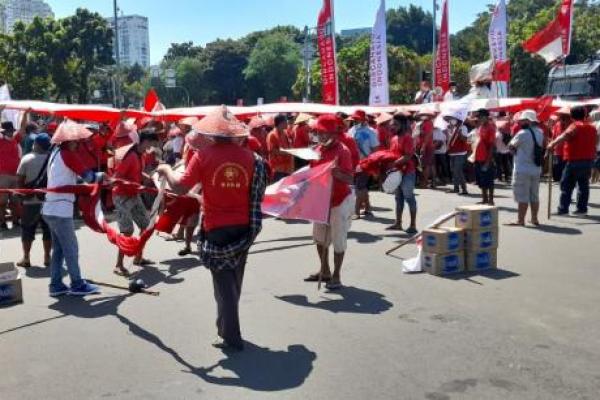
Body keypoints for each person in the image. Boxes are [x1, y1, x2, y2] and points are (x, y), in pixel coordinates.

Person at [157, 106, 268, 352]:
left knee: (223, 284)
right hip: (244, 226)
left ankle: (230, 334)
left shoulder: (204, 155)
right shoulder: (250, 157)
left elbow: (181, 188)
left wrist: (165, 169)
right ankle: (226, 327)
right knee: (234, 279)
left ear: (211, 134)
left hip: (216, 227)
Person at [42, 121, 104, 297]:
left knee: (60, 249)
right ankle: (77, 283)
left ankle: (55, 285)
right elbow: (89, 176)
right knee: (71, 248)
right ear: (69, 141)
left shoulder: (55, 153)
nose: (78, 143)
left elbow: (68, 179)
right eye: (76, 140)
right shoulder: (68, 154)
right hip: (60, 209)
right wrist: (102, 176)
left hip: (50, 208)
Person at [304, 114, 355, 290]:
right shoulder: (317, 151)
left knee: (338, 239)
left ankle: (337, 275)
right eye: (318, 132)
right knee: (319, 238)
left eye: (324, 132)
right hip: (321, 201)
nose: (321, 135)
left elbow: (350, 179)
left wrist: (337, 173)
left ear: (334, 133)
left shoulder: (343, 151)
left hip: (339, 201)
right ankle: (324, 270)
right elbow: (311, 174)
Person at [112, 131, 159, 277]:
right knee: (127, 231)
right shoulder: (130, 156)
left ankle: (138, 257)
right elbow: (117, 177)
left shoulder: (140, 155)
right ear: (144, 141)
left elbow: (138, 173)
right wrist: (133, 184)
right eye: (151, 143)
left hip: (134, 194)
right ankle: (118, 265)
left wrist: (153, 177)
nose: (152, 147)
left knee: (146, 226)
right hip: (122, 196)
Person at [548, 106, 598, 215]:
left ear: (571, 115)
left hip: (574, 160)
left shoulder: (574, 126)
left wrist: (552, 143)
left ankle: (563, 209)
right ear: (584, 115)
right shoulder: (592, 127)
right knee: (583, 185)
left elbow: (565, 135)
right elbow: (596, 141)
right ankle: (582, 209)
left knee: (567, 185)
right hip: (588, 160)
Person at [16, 133, 52, 268]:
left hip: (30, 201)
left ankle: (26, 258)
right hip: (48, 200)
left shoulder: (27, 159)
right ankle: (47, 257)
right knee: (48, 230)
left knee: (27, 230)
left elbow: (20, 180)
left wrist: (21, 196)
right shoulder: (52, 160)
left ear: (36, 144)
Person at [506, 110, 544, 226]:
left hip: (522, 168)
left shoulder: (522, 133)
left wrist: (514, 151)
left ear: (528, 120)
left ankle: (520, 220)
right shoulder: (540, 132)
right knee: (534, 195)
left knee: (522, 195)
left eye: (522, 120)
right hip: (536, 168)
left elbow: (511, 146)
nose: (520, 122)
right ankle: (534, 219)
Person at [388, 112, 418, 234]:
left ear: (403, 125)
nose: (392, 126)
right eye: (392, 124)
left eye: (395, 124)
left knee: (409, 197)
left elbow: (408, 155)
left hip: (408, 172)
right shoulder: (394, 138)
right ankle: (398, 223)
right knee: (398, 198)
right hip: (397, 172)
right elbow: (391, 155)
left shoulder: (407, 137)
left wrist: (394, 164)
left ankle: (413, 225)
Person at [348, 110, 379, 218]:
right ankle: (368, 208)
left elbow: (375, 149)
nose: (355, 120)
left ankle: (356, 211)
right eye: (354, 118)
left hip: (366, 163)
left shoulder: (371, 132)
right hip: (352, 163)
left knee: (359, 187)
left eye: (357, 118)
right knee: (361, 186)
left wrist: (373, 165)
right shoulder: (351, 130)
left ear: (363, 119)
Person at [0, 120, 22, 231]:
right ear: (3, 132)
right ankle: (3, 222)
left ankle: (15, 221)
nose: (10, 132)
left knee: (15, 200)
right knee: (2, 201)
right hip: (2, 175)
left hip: (14, 175)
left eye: (11, 130)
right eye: (8, 131)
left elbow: (22, 129)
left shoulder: (15, 140)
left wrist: (25, 115)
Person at [472, 109, 496, 205]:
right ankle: (484, 198)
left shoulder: (491, 128)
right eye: (478, 117)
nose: (480, 119)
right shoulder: (480, 127)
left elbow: (491, 146)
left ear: (486, 117)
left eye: (481, 117)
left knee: (489, 180)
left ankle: (491, 199)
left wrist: (487, 161)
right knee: (481, 180)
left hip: (486, 158)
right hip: (478, 157)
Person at [445, 111, 470, 195]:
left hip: (460, 152)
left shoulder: (463, 127)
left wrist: (459, 134)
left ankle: (464, 188)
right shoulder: (452, 128)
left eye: (453, 119)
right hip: (452, 152)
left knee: (458, 171)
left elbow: (465, 139)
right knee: (454, 170)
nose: (451, 120)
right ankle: (456, 188)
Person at [267, 114, 294, 181]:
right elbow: (273, 151)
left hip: (287, 167)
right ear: (281, 123)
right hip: (278, 169)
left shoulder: (285, 133)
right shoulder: (272, 135)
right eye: (286, 121)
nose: (287, 123)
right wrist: (287, 152)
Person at [414, 110, 436, 188]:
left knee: (426, 165)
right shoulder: (421, 123)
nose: (423, 116)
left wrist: (423, 147)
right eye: (422, 114)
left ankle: (425, 183)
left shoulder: (429, 123)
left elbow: (428, 136)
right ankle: (423, 182)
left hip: (427, 146)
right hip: (420, 146)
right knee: (421, 165)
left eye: (425, 114)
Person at [550, 108, 571, 182]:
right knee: (556, 165)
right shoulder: (557, 125)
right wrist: (552, 144)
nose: (563, 118)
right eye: (562, 116)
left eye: (565, 116)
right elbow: (554, 136)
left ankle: (564, 178)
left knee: (565, 165)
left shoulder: (571, 125)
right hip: (558, 149)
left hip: (567, 149)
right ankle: (556, 178)